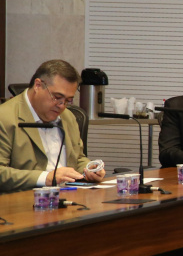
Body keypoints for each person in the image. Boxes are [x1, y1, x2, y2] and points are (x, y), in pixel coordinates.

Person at [0, 60, 106, 192]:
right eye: (57, 97)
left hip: (68, 197)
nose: (61, 105)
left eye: (68, 100)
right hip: (21, 203)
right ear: (38, 85)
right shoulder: (4, 117)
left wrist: (89, 169)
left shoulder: (67, 117)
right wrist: (46, 178)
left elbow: (77, 158)